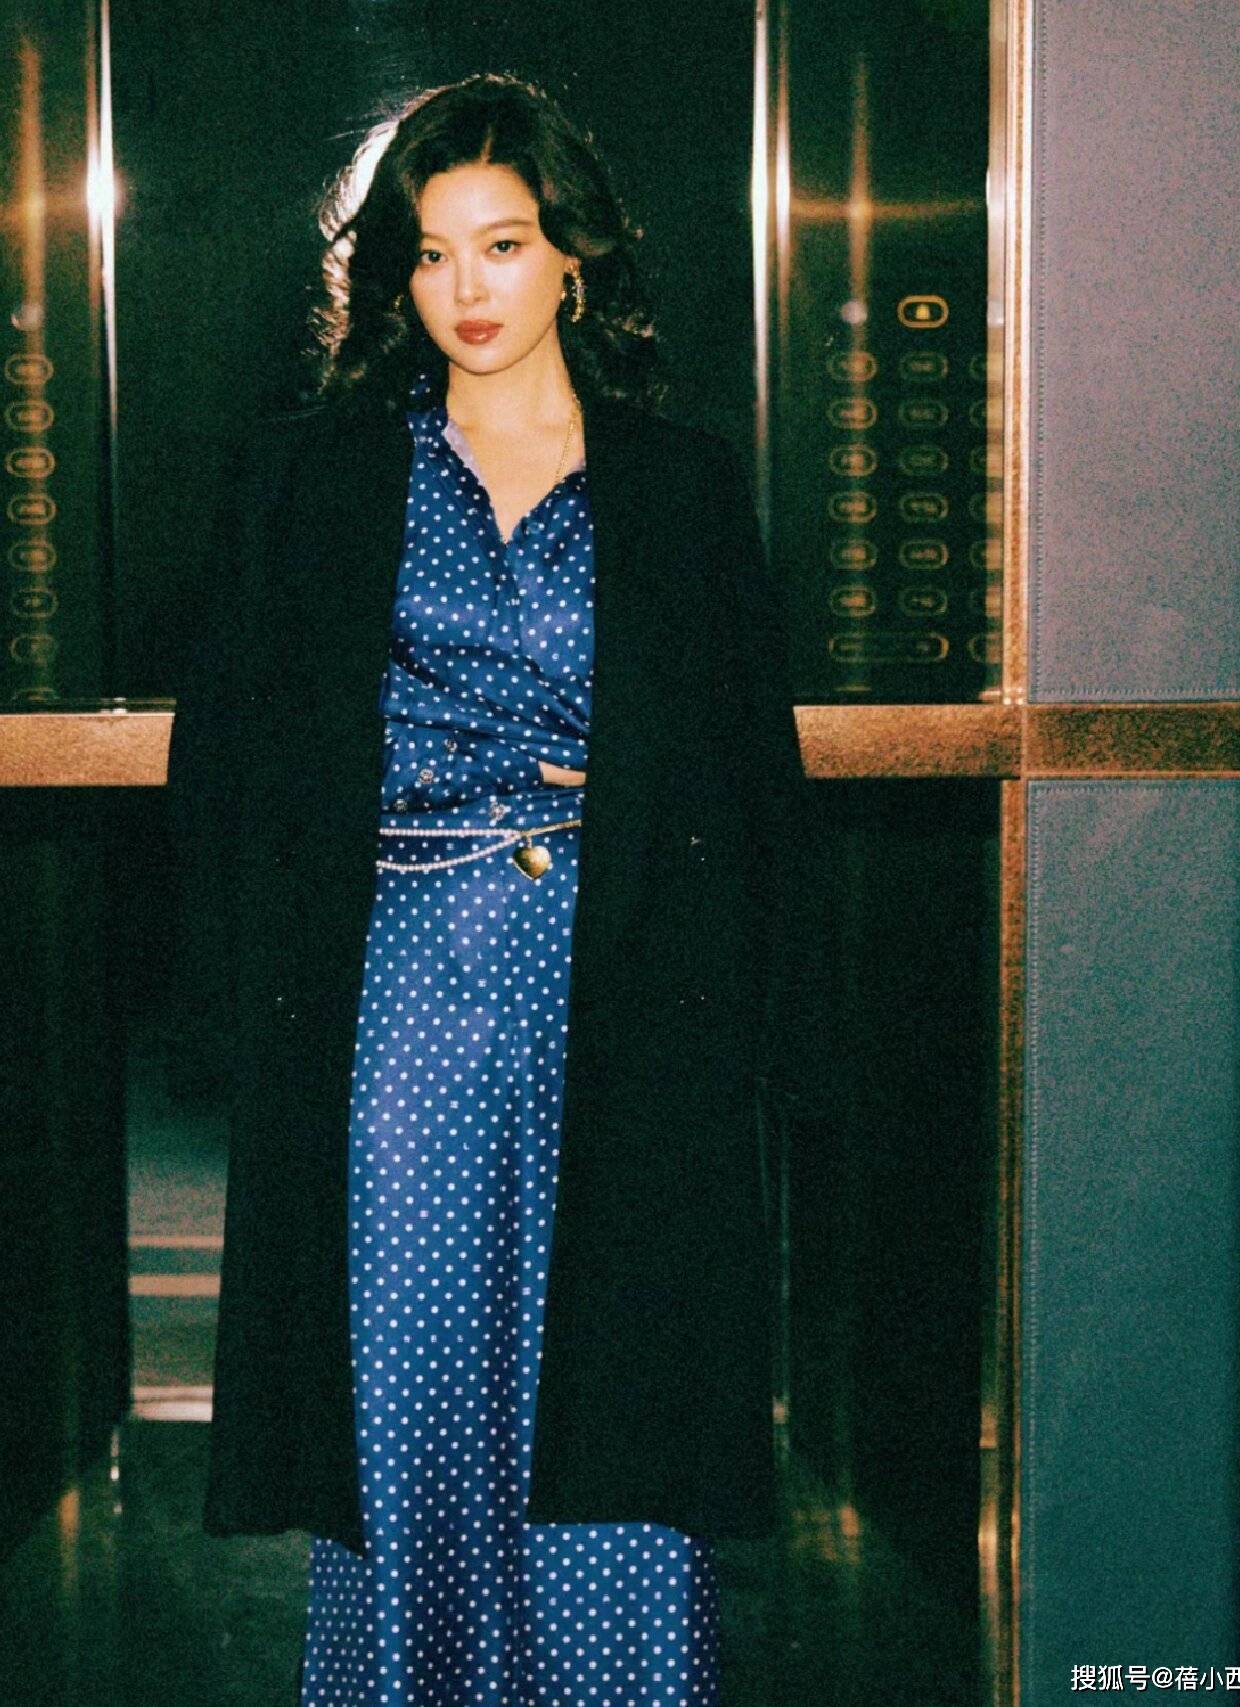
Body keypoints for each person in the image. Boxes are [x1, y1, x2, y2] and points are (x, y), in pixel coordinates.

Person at [166, 69, 833, 1705]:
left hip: (630, 984)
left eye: (505, 244)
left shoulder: (679, 484)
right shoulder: (312, 480)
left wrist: (758, 1020)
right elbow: (230, 770)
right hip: (399, 982)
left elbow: (748, 780)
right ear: (396, 275)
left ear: (573, 259)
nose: (468, 287)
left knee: (617, 1377)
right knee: (411, 1364)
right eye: (432, 252)